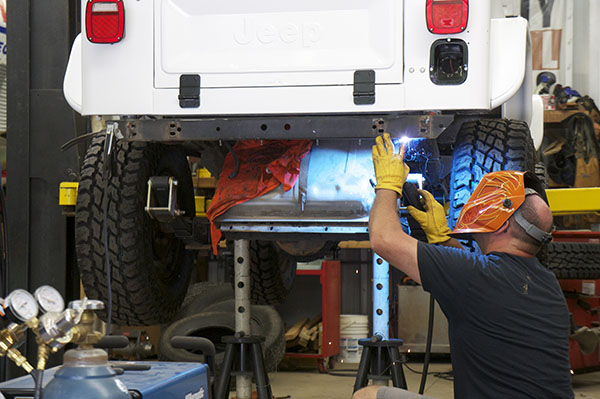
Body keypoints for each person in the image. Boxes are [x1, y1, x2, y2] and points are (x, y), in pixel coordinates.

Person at [354, 133, 574, 399]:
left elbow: (383, 239)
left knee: (367, 396)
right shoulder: (546, 284)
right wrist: (442, 237)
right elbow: (476, 281)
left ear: (502, 223)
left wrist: (388, 184)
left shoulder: (475, 276)